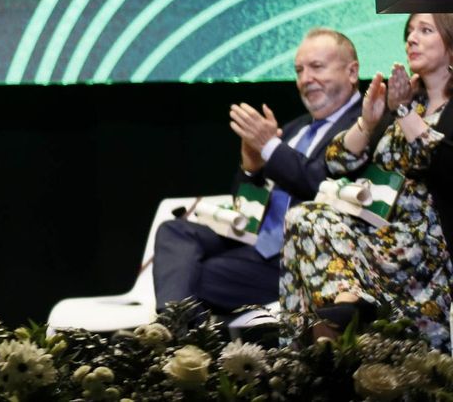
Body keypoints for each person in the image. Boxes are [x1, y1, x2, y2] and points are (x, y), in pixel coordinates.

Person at [151, 28, 362, 318]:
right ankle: (176, 327)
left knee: (191, 278)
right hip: (256, 243)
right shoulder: (295, 129)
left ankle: (173, 330)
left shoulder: (363, 126)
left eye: (316, 67)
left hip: (304, 255)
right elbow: (245, 206)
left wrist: (270, 147)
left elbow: (321, 185)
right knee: (175, 232)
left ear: (352, 72)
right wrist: (251, 168)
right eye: (299, 70)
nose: (305, 79)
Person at [282, 13, 453, 347]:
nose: (411, 39)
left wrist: (403, 112)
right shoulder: (407, 100)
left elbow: (440, 164)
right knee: (303, 215)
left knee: (311, 223)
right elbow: (336, 161)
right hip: (380, 232)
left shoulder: (416, 106)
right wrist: (368, 123)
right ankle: (343, 308)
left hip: (427, 248)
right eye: (409, 31)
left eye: (425, 30)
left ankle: (333, 329)